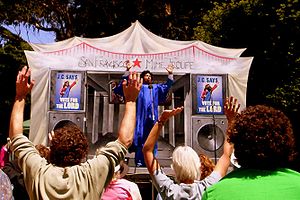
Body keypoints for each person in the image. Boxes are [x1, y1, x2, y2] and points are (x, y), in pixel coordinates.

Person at [8, 66, 142, 199]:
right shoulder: (91, 173)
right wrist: (130, 101)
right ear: (83, 151)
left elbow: (16, 137)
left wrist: (20, 97)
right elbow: (125, 140)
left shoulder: (38, 170)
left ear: (51, 147)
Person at [202, 100, 300, 200]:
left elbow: (226, 155)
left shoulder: (214, 193)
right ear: (286, 143)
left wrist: (232, 123)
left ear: (239, 147)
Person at [142, 104, 234, 200]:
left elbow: (147, 150)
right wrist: (231, 121)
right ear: (197, 166)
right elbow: (226, 155)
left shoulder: (169, 191)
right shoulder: (207, 187)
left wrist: (161, 120)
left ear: (175, 168)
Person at [114, 60, 174, 167]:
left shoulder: (155, 88)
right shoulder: (138, 87)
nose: (148, 77)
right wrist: (127, 71)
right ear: (142, 78)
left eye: (150, 76)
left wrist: (170, 74)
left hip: (152, 118)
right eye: (146, 75)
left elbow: (166, 86)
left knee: (152, 139)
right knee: (140, 138)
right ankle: (140, 161)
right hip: (140, 118)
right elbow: (123, 86)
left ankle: (150, 161)